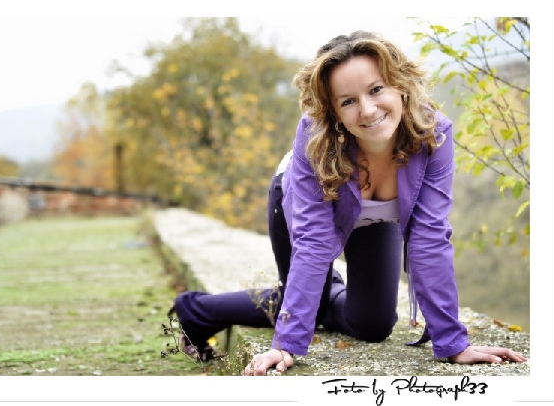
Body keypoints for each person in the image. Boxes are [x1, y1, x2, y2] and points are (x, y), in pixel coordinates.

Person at [170, 29, 528, 375]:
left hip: (376, 221)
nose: (368, 110)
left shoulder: (433, 136)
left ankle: (321, 293)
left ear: (400, 85)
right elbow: (312, 243)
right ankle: (195, 311)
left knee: (373, 325)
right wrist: (286, 344)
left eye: (376, 89)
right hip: (300, 204)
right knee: (308, 302)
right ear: (334, 112)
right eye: (348, 101)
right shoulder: (314, 138)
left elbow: (429, 238)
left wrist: (453, 343)